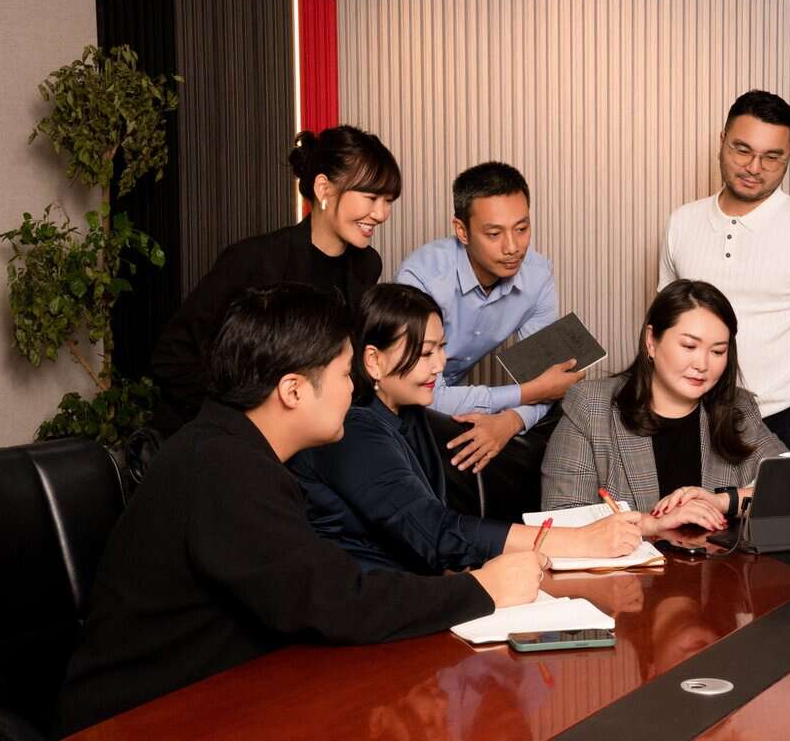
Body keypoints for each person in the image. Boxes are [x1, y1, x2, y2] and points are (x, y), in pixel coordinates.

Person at [53, 284, 546, 736]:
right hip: (139, 719)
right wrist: (482, 589)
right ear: (292, 390)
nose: (353, 388)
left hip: (232, 695)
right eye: (342, 373)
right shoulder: (225, 469)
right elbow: (336, 600)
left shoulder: (232, 447)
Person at [291, 284, 643, 573]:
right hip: (367, 604)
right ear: (373, 361)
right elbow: (434, 531)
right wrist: (579, 540)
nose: (440, 365)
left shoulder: (408, 412)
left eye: (442, 349)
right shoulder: (353, 431)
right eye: (426, 353)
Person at [149, 125, 399, 436]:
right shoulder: (255, 260)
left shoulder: (366, 265)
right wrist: (246, 423)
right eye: (371, 197)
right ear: (324, 189)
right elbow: (171, 358)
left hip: (318, 437)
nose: (381, 213)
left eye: (388, 200)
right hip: (234, 440)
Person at [658, 90, 790, 451]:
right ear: (722, 141)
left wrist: (782, 388)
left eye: (772, 157)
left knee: (773, 510)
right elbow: (668, 322)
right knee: (688, 508)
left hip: (784, 417)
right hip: (693, 411)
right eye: (743, 150)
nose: (754, 167)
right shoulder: (682, 222)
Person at [396, 161, 583, 520]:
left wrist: (511, 420)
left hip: (463, 397)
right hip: (413, 395)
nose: (513, 247)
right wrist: (525, 395)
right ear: (462, 231)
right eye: (494, 234)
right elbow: (412, 388)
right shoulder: (422, 278)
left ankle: (533, 537)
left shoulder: (538, 276)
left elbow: (549, 379)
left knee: (576, 403)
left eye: (523, 228)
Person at [541, 280, 787, 528]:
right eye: (689, 346)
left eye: (717, 352)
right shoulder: (591, 407)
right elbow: (561, 519)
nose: (702, 364)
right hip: (631, 567)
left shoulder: (738, 408)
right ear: (651, 341)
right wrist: (651, 524)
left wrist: (722, 501)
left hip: (720, 566)